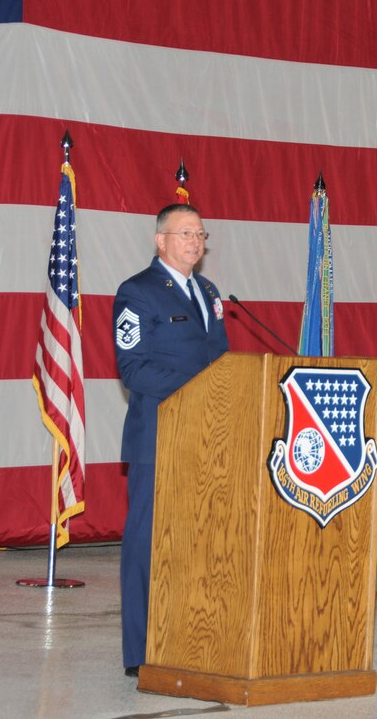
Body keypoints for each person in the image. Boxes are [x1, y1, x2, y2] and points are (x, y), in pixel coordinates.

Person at [113, 204, 230, 675]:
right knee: (146, 544)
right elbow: (133, 368)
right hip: (157, 438)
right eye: (185, 233)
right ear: (160, 241)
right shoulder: (137, 292)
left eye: (200, 233)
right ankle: (140, 652)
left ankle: (189, 637)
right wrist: (199, 387)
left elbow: (221, 358)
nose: (195, 242)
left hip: (209, 437)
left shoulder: (208, 291)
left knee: (199, 541)